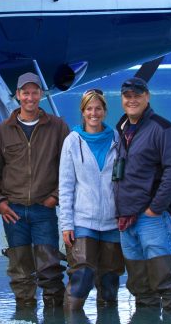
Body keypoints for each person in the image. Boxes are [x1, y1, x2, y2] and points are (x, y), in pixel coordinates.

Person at [0, 72, 70, 308]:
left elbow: (69, 168)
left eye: (34, 92)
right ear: (18, 95)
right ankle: (25, 313)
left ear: (41, 94)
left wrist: (55, 197)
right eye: (25, 93)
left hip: (44, 209)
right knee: (20, 271)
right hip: (13, 212)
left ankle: (55, 314)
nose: (30, 97)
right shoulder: (4, 129)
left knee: (50, 268)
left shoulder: (58, 126)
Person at [113, 76, 171, 315]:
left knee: (168, 283)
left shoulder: (163, 128)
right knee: (141, 288)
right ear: (122, 99)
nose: (132, 100)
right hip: (126, 220)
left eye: (137, 95)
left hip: (153, 218)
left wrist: (155, 208)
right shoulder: (121, 129)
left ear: (147, 97)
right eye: (127, 96)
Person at [59, 88, 125, 310]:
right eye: (89, 109)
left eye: (98, 108)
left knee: (110, 281)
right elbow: (65, 186)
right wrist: (66, 224)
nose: (93, 113)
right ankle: (71, 317)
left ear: (105, 111)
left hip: (112, 222)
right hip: (82, 221)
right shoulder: (72, 141)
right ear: (83, 112)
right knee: (82, 277)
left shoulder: (116, 138)